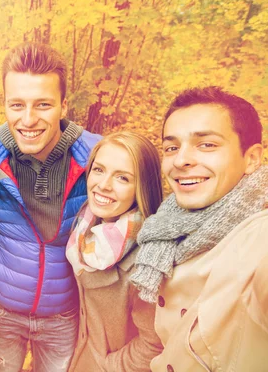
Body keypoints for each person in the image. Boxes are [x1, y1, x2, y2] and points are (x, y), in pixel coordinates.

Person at [130, 86, 268, 371]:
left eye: (206, 144)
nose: (181, 160)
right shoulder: (167, 227)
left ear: (251, 158)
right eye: (172, 147)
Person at [0, 42, 102, 372]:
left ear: (63, 106)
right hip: (2, 311)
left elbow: (140, 209)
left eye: (43, 105)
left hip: (63, 316)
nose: (28, 119)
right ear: (5, 105)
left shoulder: (97, 157)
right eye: (17, 105)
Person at [67, 132, 164, 372]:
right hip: (78, 353)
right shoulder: (86, 221)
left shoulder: (147, 260)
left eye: (122, 177)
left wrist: (107, 366)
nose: (103, 185)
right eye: (98, 170)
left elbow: (154, 344)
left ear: (142, 187)